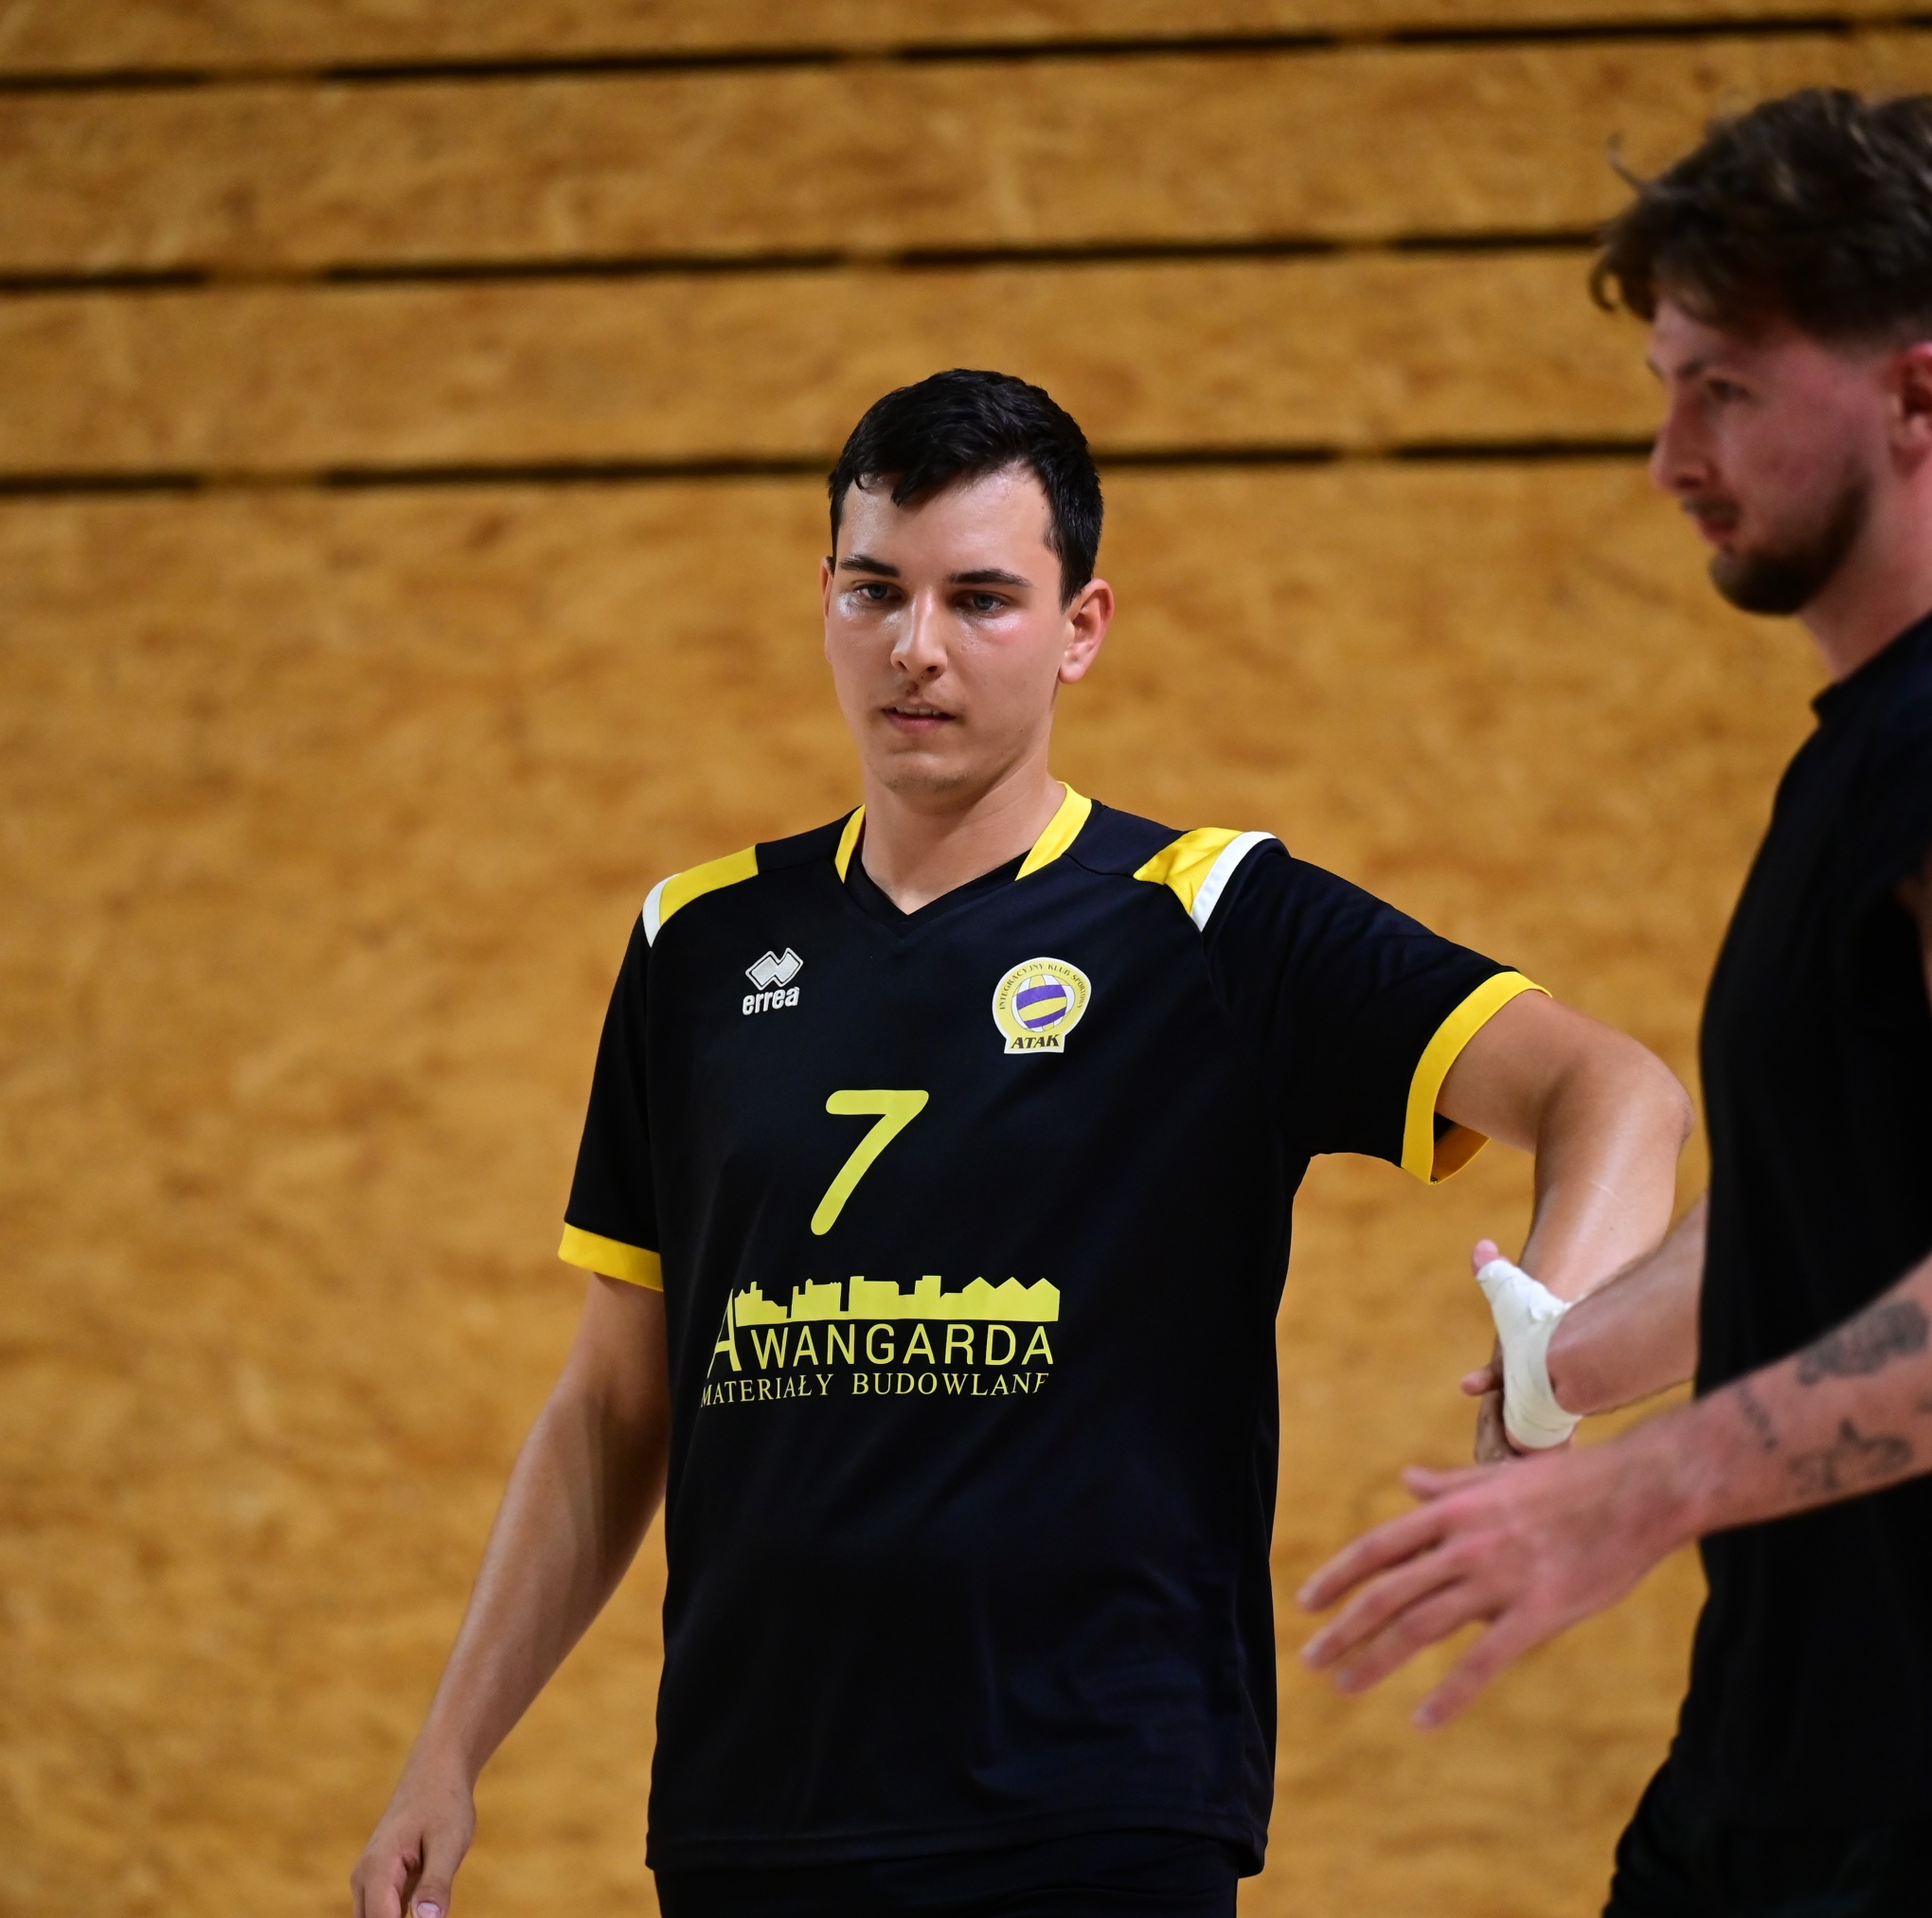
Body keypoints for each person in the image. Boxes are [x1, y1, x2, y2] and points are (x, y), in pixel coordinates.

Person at [350, 368, 1694, 1918]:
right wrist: (450, 1748)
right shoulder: (696, 941)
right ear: (825, 597)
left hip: (1093, 1811)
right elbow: (612, 1404)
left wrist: (1546, 1360)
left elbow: (1618, 1092)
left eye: (981, 599)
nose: (916, 646)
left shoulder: (1210, 919)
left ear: (1081, 627)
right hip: (750, 1821)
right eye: (876, 591)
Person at [1297, 90, 1932, 1914]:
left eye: (1729, 391)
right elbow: (1863, 1201)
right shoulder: (1894, 746)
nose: (1671, 457)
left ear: (1918, 397)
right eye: (1668, 387)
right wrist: (1570, 1363)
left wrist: (1641, 1493)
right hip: (1806, 1766)